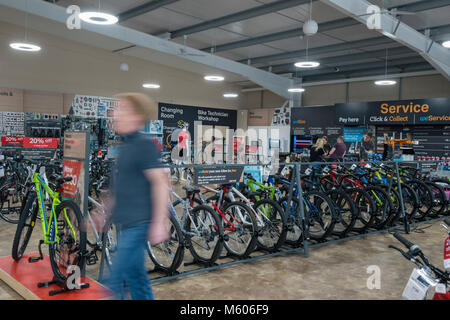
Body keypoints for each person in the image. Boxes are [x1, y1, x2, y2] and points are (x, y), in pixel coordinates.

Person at [107, 92, 170, 300]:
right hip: (126, 225)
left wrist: (160, 222)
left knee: (114, 282)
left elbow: (160, 183)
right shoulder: (126, 146)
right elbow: (122, 187)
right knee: (136, 279)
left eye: (121, 110)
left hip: (138, 225)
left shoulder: (144, 144)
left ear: (135, 116)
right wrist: (103, 213)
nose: (115, 115)